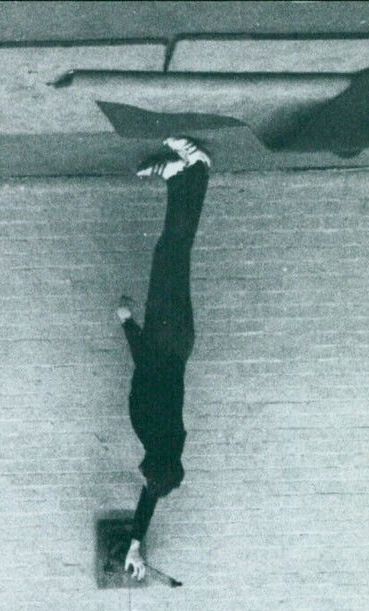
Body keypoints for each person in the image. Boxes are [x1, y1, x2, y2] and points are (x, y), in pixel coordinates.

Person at [117, 137, 211, 582]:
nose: (141, 474)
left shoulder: (166, 443)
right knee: (173, 251)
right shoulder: (155, 424)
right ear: (154, 462)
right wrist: (126, 323)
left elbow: (149, 497)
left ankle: (176, 178)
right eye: (146, 473)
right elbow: (145, 364)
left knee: (170, 253)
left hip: (172, 341)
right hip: (165, 336)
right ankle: (198, 170)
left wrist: (137, 541)